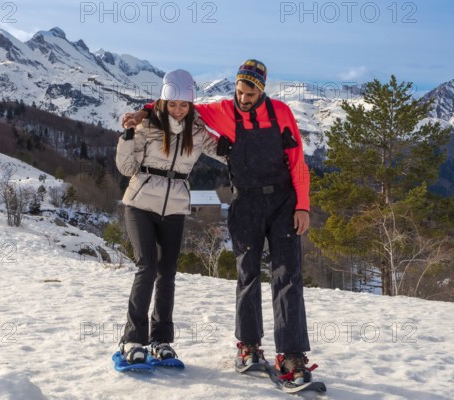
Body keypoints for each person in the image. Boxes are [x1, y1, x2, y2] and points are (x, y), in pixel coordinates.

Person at [124, 60, 313, 383]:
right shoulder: (222, 110)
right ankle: (249, 347)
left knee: (288, 277)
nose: (243, 98)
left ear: (262, 90)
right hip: (246, 201)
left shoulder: (281, 113)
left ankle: (292, 355)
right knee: (248, 275)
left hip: (283, 201)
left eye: (249, 93)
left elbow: (297, 162)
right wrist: (142, 114)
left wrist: (303, 206)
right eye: (239, 91)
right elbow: (176, 106)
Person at [115, 69, 226, 364]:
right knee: (147, 267)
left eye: (184, 105)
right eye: (173, 103)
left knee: (167, 274)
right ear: (163, 102)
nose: (178, 110)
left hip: (175, 208)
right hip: (140, 204)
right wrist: (127, 136)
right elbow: (126, 169)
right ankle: (132, 340)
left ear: (191, 106)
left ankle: (161, 340)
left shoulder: (198, 132)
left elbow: (222, 151)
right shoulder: (147, 126)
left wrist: (239, 148)